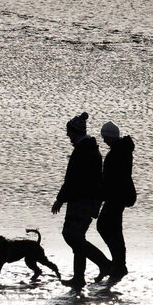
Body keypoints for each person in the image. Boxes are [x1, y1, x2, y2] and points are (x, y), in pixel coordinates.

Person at [51, 112, 110, 290]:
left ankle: (104, 264)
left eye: (69, 131)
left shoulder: (83, 150)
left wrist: (59, 200)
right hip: (86, 201)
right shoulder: (88, 148)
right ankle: (79, 278)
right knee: (77, 237)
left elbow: (72, 179)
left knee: (71, 236)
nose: (67, 135)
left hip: (82, 201)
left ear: (75, 131)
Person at [97, 121, 136, 280]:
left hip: (116, 196)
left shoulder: (117, 153)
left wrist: (101, 193)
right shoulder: (122, 149)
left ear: (110, 136)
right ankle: (119, 264)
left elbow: (111, 177)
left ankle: (118, 265)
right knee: (114, 230)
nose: (104, 140)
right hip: (120, 195)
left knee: (105, 226)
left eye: (105, 137)